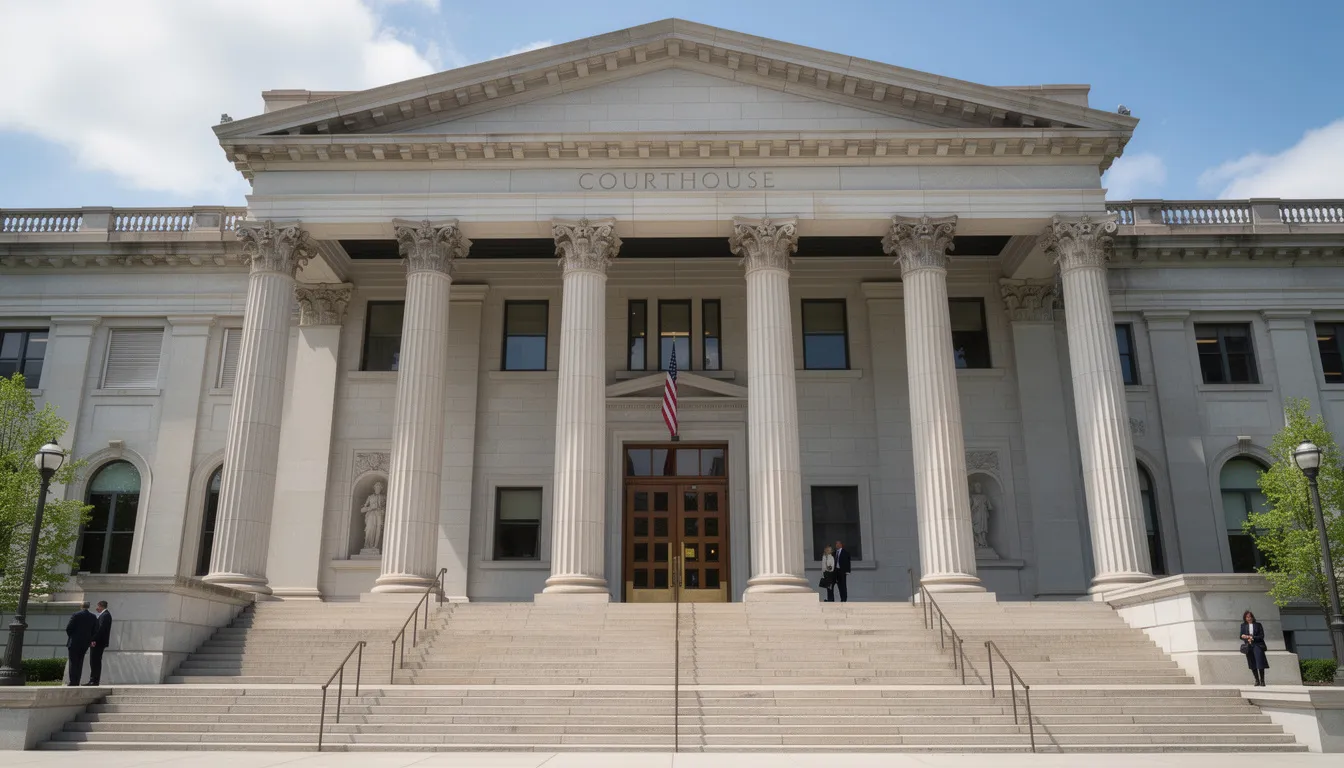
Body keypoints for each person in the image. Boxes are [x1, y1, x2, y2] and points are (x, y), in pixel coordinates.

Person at [65, 601, 98, 687]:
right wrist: (88, 639)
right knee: (80, 662)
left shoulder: (76, 615)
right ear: (88, 607)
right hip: (85, 643)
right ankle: (77, 680)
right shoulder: (93, 617)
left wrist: (72, 636)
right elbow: (95, 630)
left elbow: (69, 628)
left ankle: (73, 681)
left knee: (73, 661)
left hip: (74, 642)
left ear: (81, 606)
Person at [1240, 610, 1269, 687]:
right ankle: (1257, 680)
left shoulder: (1258, 625)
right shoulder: (1243, 625)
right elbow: (1241, 636)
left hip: (1258, 645)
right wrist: (1244, 637)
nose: (1249, 618)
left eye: (1250, 617)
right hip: (1248, 646)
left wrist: (1252, 637)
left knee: (1260, 662)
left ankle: (1262, 680)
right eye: (1247, 617)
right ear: (1245, 618)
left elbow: (1262, 636)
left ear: (1252, 617)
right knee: (1252, 663)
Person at [88, 600, 113, 686]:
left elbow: (100, 630)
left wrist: (93, 639)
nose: (96, 608)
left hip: (98, 642)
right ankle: (94, 680)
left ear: (100, 606)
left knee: (94, 661)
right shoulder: (105, 615)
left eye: (97, 606)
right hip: (99, 642)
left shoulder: (105, 615)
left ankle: (94, 680)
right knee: (94, 661)